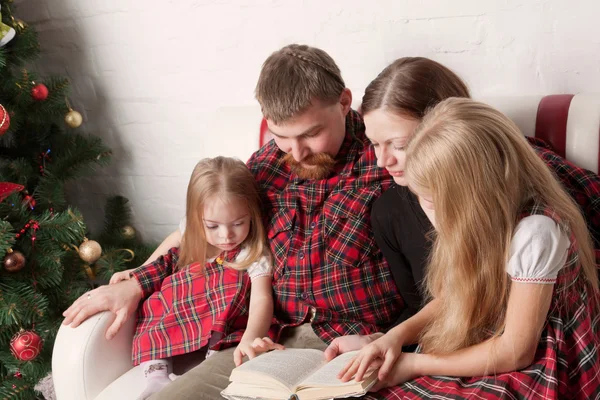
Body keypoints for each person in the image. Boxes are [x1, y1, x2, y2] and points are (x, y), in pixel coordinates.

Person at [62, 44, 402, 399]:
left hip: (353, 341)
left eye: (310, 134)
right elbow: (198, 227)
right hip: (266, 337)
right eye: (282, 136)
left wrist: (389, 338)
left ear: (345, 102)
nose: (297, 152)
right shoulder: (266, 165)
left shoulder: (385, 161)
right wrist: (135, 281)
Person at [323, 57, 600, 359]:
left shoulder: (525, 194)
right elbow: (442, 303)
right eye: (374, 143)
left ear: (451, 126)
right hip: (461, 344)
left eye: (400, 145)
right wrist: (382, 339)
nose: (382, 161)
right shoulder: (390, 211)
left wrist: (413, 361)